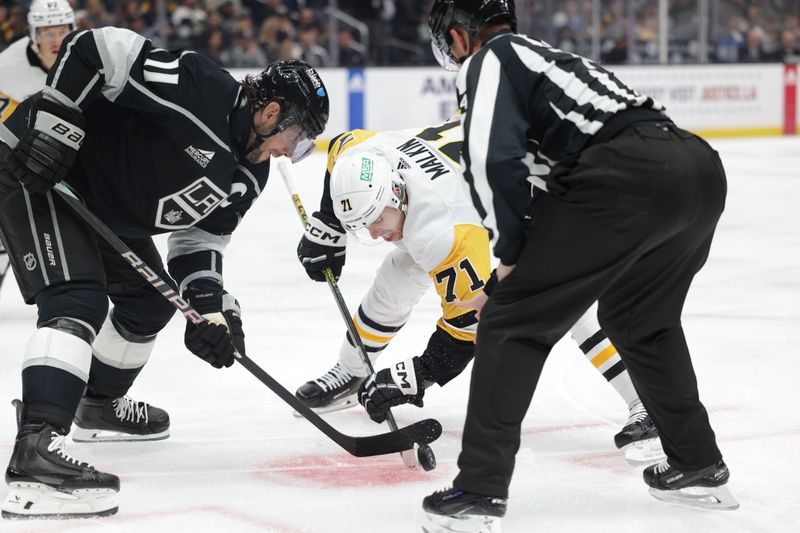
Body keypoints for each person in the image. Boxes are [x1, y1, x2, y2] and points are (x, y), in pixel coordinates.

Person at [421, 0, 737, 530]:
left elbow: (490, 161)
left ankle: (478, 492)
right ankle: (697, 463)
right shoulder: (552, 62)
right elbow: (561, 202)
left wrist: (508, 259)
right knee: (640, 320)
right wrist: (522, 264)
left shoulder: (491, 58)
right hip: (695, 168)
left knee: (512, 325)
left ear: (457, 38)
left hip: (628, 174)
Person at [0, 23, 328, 518]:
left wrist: (212, 310)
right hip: (40, 169)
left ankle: (97, 402)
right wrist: (54, 126)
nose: (291, 150)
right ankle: (34, 453)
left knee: (149, 300)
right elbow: (95, 47)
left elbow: (200, 240)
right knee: (76, 299)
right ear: (271, 112)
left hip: (103, 207)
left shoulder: (249, 172)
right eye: (297, 136)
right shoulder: (202, 88)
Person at [294, 117, 661, 464]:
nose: (374, 234)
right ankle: (352, 369)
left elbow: (470, 326)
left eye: (376, 221)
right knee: (398, 275)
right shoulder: (365, 156)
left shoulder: (444, 232)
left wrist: (416, 376)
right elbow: (342, 148)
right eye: (362, 226)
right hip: (500, 180)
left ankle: (649, 402)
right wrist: (329, 225)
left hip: (568, 195)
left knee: (563, 301)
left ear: (394, 192)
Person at [0, 0, 75, 300]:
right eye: (48, 33)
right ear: (33, 35)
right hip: (16, 167)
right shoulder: (7, 70)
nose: (56, 40)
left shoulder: (86, 60)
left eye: (62, 31)